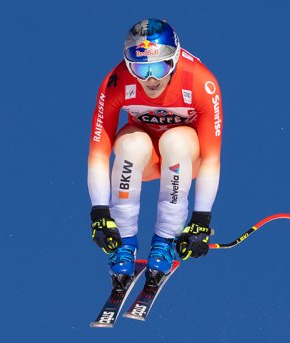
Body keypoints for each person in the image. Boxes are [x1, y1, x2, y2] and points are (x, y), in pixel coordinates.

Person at [88, 18, 222, 281]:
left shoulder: (200, 83)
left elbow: (211, 159)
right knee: (128, 144)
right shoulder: (116, 83)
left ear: (174, 60)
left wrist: (201, 219)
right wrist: (100, 213)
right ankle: (124, 245)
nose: (149, 79)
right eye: (140, 68)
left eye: (159, 68)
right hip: (146, 158)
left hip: (184, 158)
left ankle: (165, 240)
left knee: (177, 139)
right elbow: (98, 154)